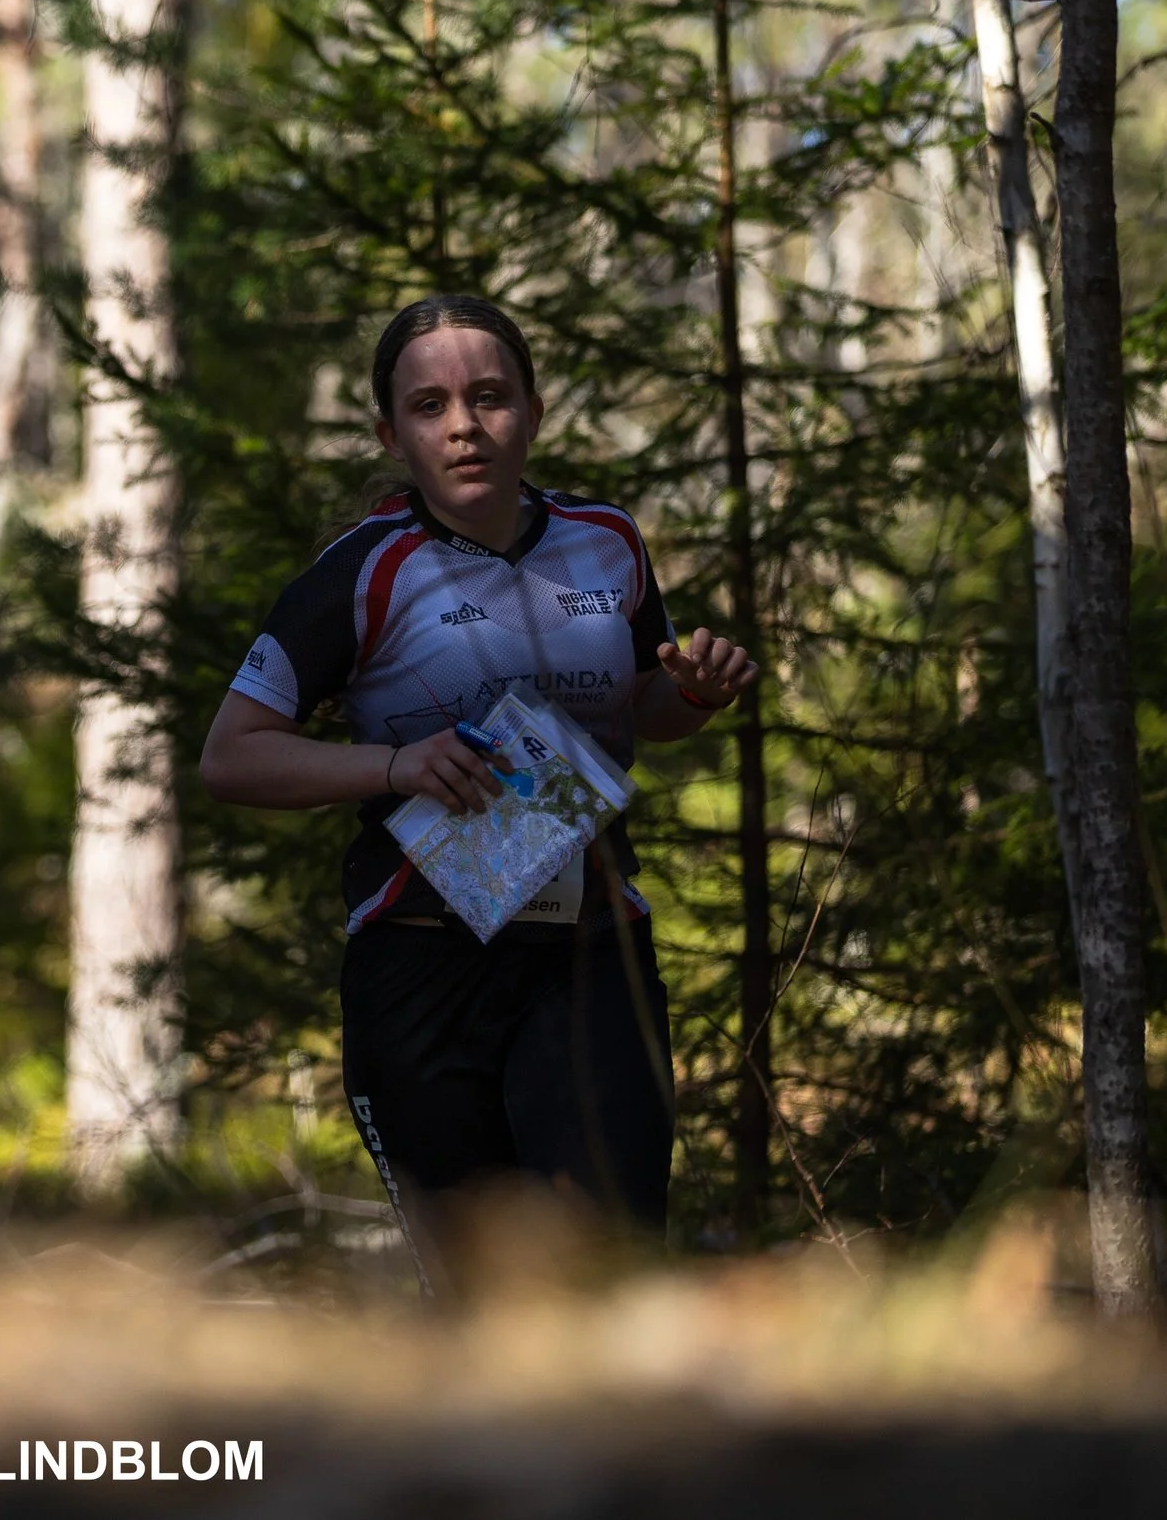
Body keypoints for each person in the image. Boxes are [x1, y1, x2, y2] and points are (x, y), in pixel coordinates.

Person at [197, 294, 757, 1254]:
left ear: (533, 411)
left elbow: (644, 708)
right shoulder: (364, 571)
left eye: (491, 396)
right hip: (422, 963)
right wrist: (395, 764)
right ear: (391, 432)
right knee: (475, 1289)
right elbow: (230, 755)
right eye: (430, 406)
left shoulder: (607, 540)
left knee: (607, 1260)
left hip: (592, 958)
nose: (464, 424)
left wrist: (697, 693)